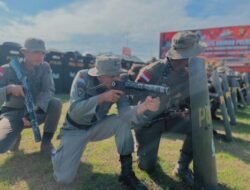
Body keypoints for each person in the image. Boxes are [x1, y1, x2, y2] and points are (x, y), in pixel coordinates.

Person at [52, 55, 160, 190]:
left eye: (118, 74)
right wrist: (102, 98)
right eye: (112, 76)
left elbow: (125, 113)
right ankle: (57, 155)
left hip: (97, 126)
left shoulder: (119, 82)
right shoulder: (83, 77)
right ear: (100, 76)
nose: (117, 79)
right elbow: (74, 111)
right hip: (75, 129)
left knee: (122, 122)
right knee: (64, 179)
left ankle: (127, 173)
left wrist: (143, 107)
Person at [134, 31, 207, 186]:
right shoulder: (151, 71)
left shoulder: (188, 74)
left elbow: (192, 101)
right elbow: (132, 100)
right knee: (148, 167)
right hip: (149, 122)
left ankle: (182, 167)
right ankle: (142, 149)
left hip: (170, 117)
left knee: (198, 125)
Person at [0, 38, 62, 157]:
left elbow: (48, 90)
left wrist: (36, 110)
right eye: (36, 52)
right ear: (25, 52)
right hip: (13, 113)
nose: (40, 56)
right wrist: (9, 88)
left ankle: (46, 143)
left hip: (35, 111)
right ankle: (15, 136)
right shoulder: (7, 69)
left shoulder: (45, 67)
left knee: (55, 103)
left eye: (42, 53)